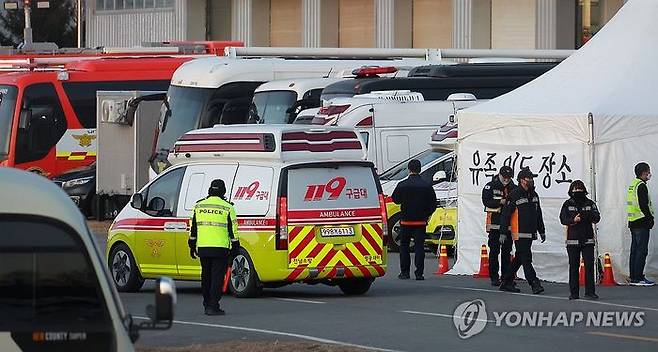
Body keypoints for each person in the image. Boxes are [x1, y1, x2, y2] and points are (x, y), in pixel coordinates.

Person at [188, 179, 240, 315]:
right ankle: (213, 305)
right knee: (217, 278)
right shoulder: (228, 207)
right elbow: (233, 230)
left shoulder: (199, 205)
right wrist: (235, 247)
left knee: (206, 276)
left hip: (203, 248)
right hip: (220, 248)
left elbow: (193, 228)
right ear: (223, 191)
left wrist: (192, 245)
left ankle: (206, 304)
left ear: (210, 189)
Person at [499, 167, 545, 294]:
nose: (531, 181)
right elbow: (505, 214)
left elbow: (538, 214)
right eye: (528, 179)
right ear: (521, 180)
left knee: (519, 257)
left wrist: (542, 230)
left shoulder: (534, 195)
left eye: (531, 178)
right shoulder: (514, 195)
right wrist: (503, 232)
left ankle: (506, 281)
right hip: (519, 233)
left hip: (531, 232)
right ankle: (534, 282)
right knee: (526, 258)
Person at [392, 159, 437, 280]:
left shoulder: (402, 184)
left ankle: (405, 272)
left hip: (406, 220)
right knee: (419, 247)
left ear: (409, 169)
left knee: (404, 246)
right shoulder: (426, 185)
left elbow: (395, 199)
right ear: (420, 169)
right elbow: (433, 203)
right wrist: (426, 214)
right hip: (420, 221)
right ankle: (419, 274)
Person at [560, 180, 600, 300]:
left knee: (589, 267)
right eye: (575, 189)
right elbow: (563, 219)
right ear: (571, 191)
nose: (577, 191)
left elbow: (597, 217)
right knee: (573, 267)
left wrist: (586, 216)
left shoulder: (590, 203)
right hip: (572, 240)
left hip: (588, 240)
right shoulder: (567, 204)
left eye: (579, 189)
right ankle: (574, 293)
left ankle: (590, 292)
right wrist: (574, 220)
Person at [481, 165, 516, 287]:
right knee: (494, 252)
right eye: (504, 177)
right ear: (499, 175)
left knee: (507, 252)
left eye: (509, 178)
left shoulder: (514, 187)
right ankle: (494, 277)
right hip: (495, 224)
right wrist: (499, 202)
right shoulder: (490, 186)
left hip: (508, 226)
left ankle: (506, 277)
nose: (506, 180)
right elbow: (486, 201)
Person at [627, 162, 655, 287]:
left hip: (633, 222)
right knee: (641, 251)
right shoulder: (641, 186)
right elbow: (643, 205)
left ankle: (633, 277)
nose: (649, 174)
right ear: (644, 172)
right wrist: (650, 219)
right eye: (648, 171)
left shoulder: (633, 184)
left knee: (634, 250)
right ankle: (638, 277)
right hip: (641, 222)